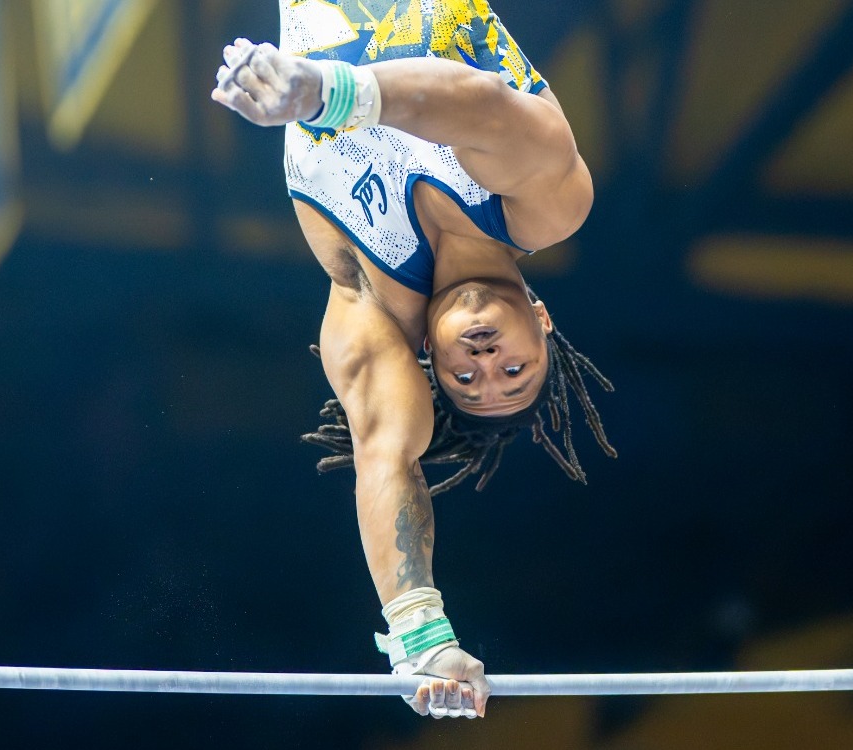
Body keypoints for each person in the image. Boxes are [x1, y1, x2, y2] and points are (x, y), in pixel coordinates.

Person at [211, 0, 614, 719]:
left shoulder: (363, 295)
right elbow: (479, 108)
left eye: (466, 381)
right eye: (514, 373)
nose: (486, 363)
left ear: (426, 352)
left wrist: (423, 638)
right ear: (543, 323)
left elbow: (387, 452)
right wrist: (320, 93)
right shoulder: (549, 208)